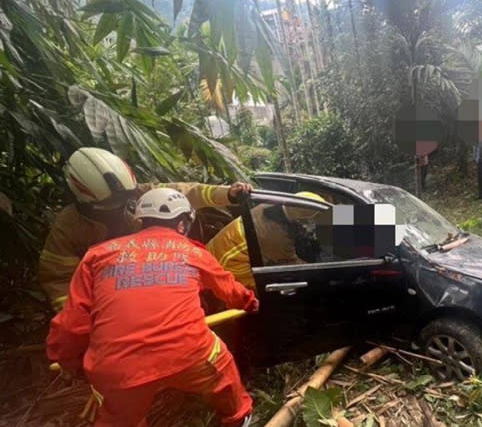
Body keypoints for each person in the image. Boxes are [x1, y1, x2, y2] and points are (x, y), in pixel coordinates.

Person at [46, 188, 260, 427]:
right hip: (189, 353)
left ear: (140, 221)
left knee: (119, 417)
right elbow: (229, 288)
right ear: (182, 224)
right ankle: (239, 416)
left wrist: (69, 362)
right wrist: (249, 302)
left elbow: (72, 322)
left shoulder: (98, 255)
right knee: (222, 367)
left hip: (117, 368)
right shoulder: (192, 251)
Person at [38, 147, 251, 310]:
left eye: (126, 199)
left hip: (159, 281)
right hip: (109, 299)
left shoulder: (137, 194)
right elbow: (58, 280)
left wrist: (226, 194)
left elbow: (185, 192)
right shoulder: (68, 227)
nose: (121, 205)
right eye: (112, 203)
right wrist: (84, 318)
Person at [208, 192, 327, 288]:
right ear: (302, 218)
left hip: (211, 251)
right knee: (266, 292)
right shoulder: (276, 238)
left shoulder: (269, 204)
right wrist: (318, 270)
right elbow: (291, 263)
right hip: (227, 265)